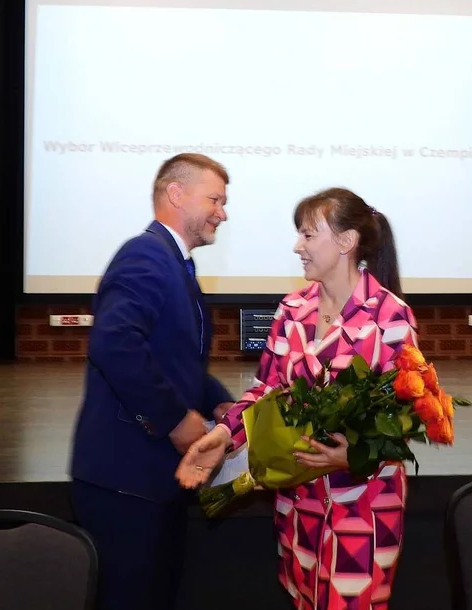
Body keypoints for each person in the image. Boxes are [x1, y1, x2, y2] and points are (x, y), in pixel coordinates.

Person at [177, 187, 419, 610]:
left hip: (363, 504)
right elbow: (265, 390)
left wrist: (353, 456)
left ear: (346, 242)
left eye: (308, 235)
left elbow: (405, 415)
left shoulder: (389, 316)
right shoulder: (292, 310)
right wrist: (225, 435)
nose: (297, 247)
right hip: (298, 503)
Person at [70, 152, 235, 610]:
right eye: (215, 200)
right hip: (126, 482)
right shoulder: (145, 255)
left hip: (152, 482)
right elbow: (114, 343)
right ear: (176, 194)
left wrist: (219, 403)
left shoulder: (174, 262)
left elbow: (175, 359)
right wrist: (175, 419)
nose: (222, 213)